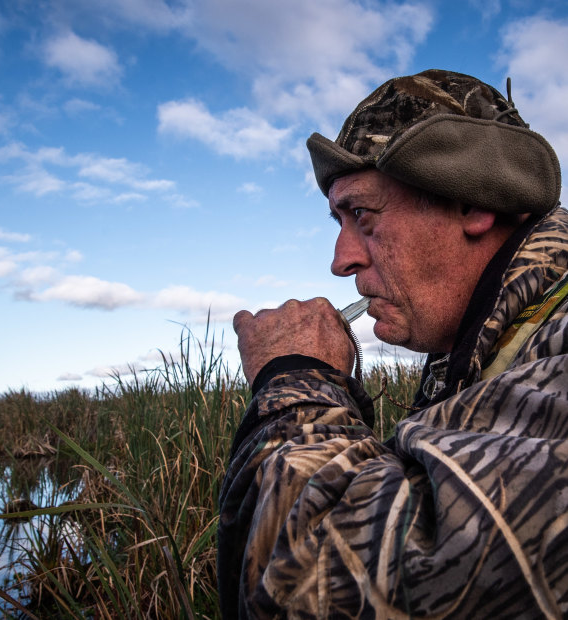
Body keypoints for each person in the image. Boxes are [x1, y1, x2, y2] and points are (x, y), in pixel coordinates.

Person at [217, 69, 568, 618]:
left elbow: (343, 589)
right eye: (338, 219)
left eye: (363, 215)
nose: (340, 260)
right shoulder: (489, 351)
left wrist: (298, 383)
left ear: (473, 202)